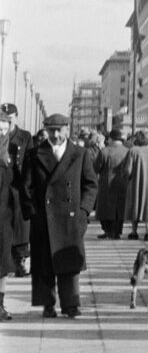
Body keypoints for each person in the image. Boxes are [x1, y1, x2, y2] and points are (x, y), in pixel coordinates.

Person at [19, 114, 98, 318]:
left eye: (59, 130)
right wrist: (33, 214)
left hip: (71, 218)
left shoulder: (79, 154)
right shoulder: (35, 154)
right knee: (44, 263)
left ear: (67, 130)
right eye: (51, 130)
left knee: (69, 264)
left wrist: (83, 212)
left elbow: (91, 185)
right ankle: (47, 304)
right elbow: (26, 187)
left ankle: (71, 304)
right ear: (45, 130)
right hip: (43, 218)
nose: (55, 134)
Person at [1, 103, 33, 277]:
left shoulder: (25, 136)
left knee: (21, 224)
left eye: (10, 118)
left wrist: (28, 184)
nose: (7, 121)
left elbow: (30, 160)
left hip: (18, 184)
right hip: (2, 184)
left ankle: (20, 259)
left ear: (16, 117)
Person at [0, 109, 20, 319]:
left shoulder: (12, 150)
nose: (2, 134)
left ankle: (0, 304)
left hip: (4, 213)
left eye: (5, 130)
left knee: (3, 261)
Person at [93, 128, 129, 239]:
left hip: (106, 183)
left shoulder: (104, 151)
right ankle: (117, 231)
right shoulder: (128, 151)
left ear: (110, 138)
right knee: (120, 208)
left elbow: (96, 167)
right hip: (123, 183)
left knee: (105, 209)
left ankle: (107, 231)